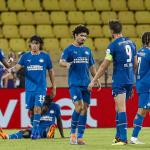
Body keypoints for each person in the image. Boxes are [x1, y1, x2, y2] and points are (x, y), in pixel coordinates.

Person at [88, 20, 137, 145]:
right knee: (118, 108)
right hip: (129, 79)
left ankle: (123, 139)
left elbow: (104, 66)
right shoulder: (131, 43)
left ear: (111, 31)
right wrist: (131, 83)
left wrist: (93, 80)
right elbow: (135, 64)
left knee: (121, 109)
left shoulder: (113, 45)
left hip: (119, 80)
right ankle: (117, 136)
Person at [7, 35, 56, 139]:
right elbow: (17, 68)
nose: (34, 45)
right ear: (30, 44)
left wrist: (54, 86)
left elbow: (51, 71)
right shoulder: (25, 57)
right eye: (33, 43)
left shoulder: (45, 57)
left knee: (38, 108)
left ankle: (34, 133)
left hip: (41, 88)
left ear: (40, 45)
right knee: (32, 110)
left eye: (37, 43)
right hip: (29, 89)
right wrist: (10, 68)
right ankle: (36, 130)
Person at [59, 25, 98, 145]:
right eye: (81, 35)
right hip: (74, 83)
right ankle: (73, 135)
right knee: (79, 107)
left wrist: (96, 79)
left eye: (85, 36)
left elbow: (91, 66)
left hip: (86, 84)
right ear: (75, 35)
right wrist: (67, 65)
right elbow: (61, 61)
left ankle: (80, 137)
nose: (84, 38)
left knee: (85, 109)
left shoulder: (87, 50)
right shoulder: (69, 49)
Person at [0, 95, 64, 139]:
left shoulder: (55, 106)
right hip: (38, 128)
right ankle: (8, 136)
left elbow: (59, 120)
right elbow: (32, 120)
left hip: (48, 126)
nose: (47, 105)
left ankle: (49, 133)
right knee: (26, 133)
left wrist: (62, 135)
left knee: (47, 130)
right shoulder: (38, 106)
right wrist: (41, 113)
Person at [130, 32, 150, 144]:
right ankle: (133, 138)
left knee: (145, 110)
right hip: (147, 85)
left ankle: (134, 137)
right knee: (142, 111)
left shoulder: (139, 52)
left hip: (140, 83)